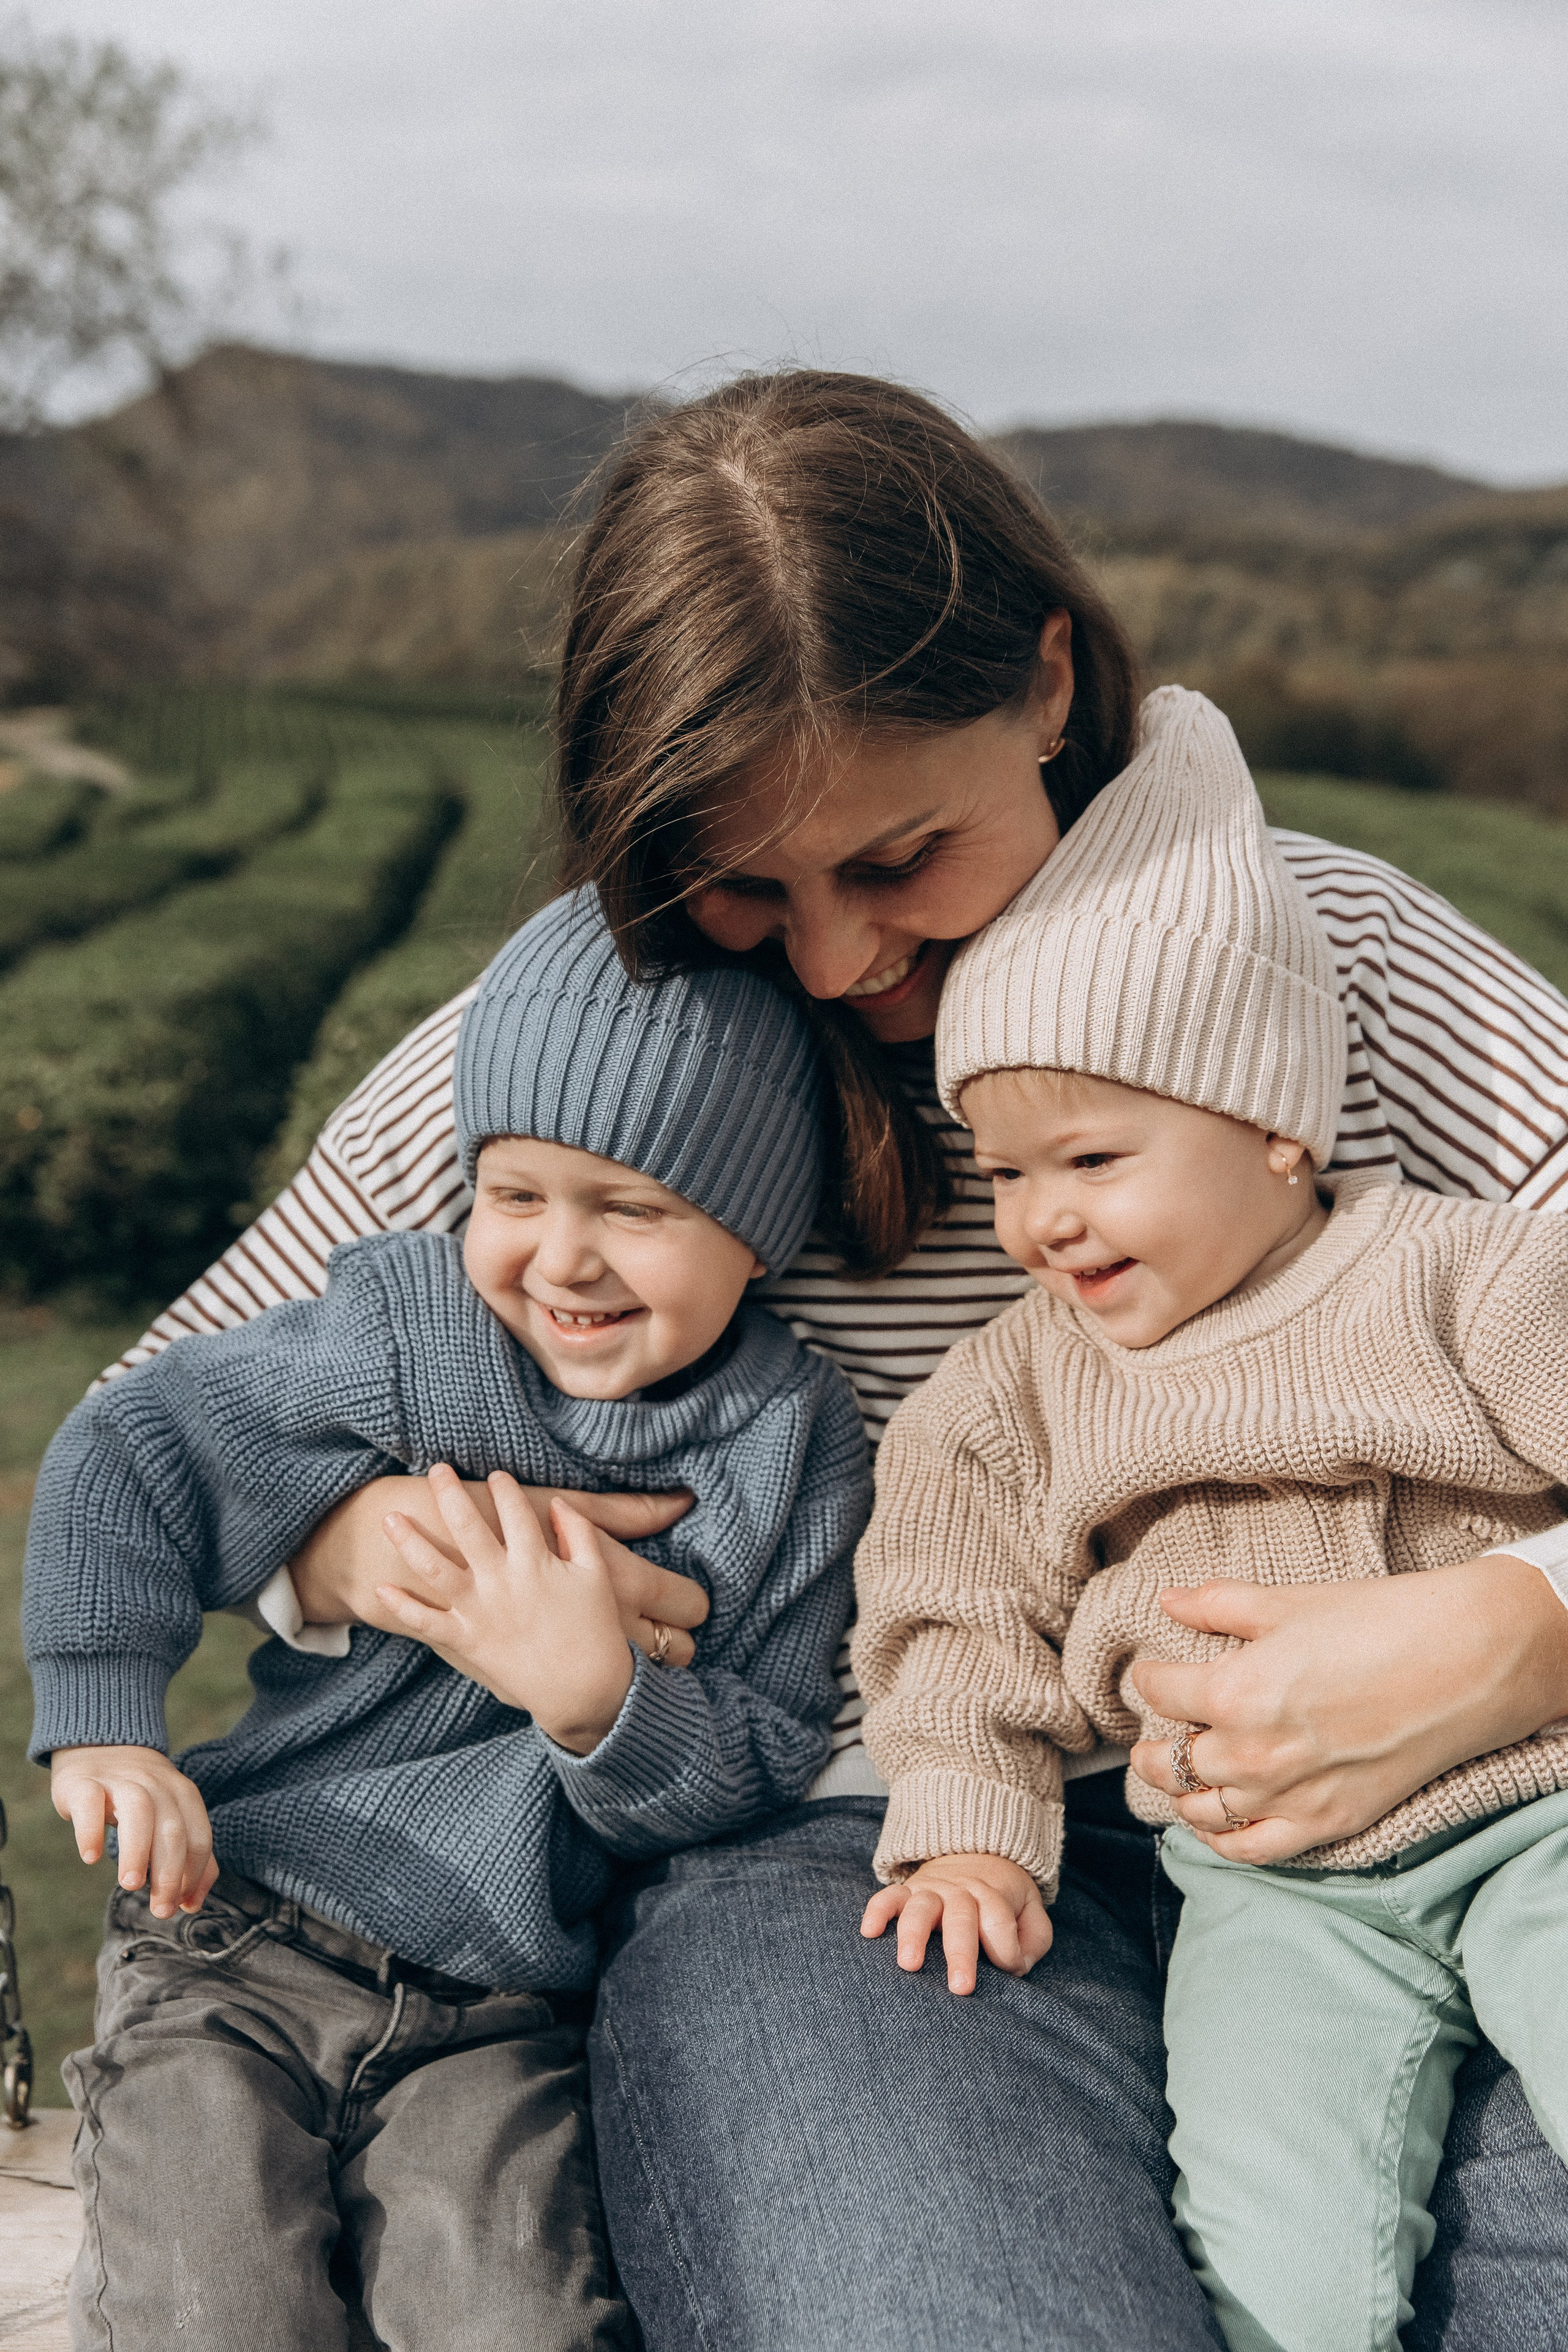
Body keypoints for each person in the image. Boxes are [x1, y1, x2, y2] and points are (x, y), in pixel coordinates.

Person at [107, 373, 1568, 2348]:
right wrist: (377, 1544)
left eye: (898, 859)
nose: (828, 963)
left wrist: (1515, 1626)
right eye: (744, 882)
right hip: (857, 1855)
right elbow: (166, 1410)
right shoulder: (594, 1055)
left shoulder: (1323, 964)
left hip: (1451, 1816)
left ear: (1049, 687)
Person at [24, 892, 869, 2352]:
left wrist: (599, 1699)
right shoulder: (411, 1329)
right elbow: (138, 1447)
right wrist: (103, 1718)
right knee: (215, 2308)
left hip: (497, 2006)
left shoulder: (789, 1443)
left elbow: (764, 1750)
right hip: (243, 1936)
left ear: (757, 1228)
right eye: (516, 1194)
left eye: (634, 1209)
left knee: (514, 2321)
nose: (560, 1258)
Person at [854, 684, 1568, 2352]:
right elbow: (949, 1623)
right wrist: (966, 1821)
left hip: (1543, 1812)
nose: (1040, 1221)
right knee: (1277, 2252)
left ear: (1274, 1130)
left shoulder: (1463, 1278)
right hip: (1272, 1886)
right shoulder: (1011, 1396)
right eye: (1004, 1173)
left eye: (1092, 1160)